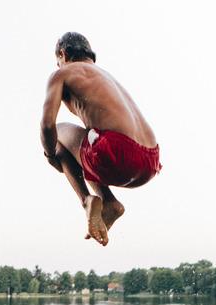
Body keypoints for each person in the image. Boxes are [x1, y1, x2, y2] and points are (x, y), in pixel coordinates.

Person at [40, 32, 161, 246]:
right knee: (91, 141)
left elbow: (47, 125)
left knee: (56, 136)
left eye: (58, 61)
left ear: (63, 53)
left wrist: (50, 155)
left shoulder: (63, 73)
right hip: (150, 160)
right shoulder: (106, 76)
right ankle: (110, 202)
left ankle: (87, 200)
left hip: (118, 153)